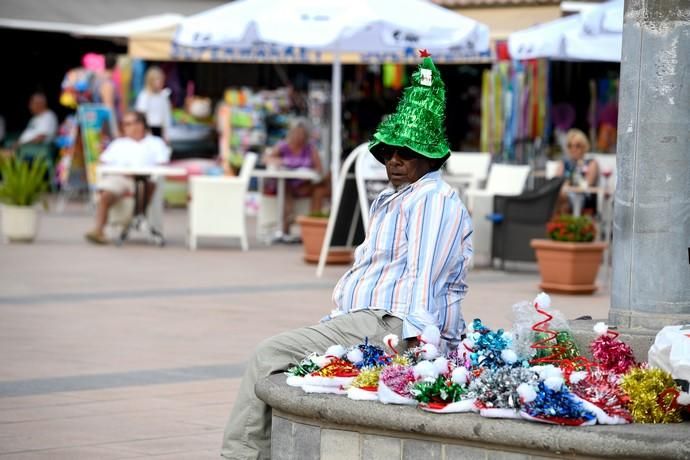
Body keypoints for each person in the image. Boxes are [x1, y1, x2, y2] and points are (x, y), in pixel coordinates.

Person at [221, 51, 473, 460]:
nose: (394, 159)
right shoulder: (395, 198)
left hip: (391, 322)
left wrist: (421, 348)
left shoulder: (431, 199)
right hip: (366, 318)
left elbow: (423, 278)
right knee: (279, 362)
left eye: (406, 152)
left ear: (430, 157)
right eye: (389, 150)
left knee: (267, 355)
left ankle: (240, 456)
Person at [84, 111, 170, 245]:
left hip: (146, 181)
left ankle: (136, 219)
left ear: (142, 124)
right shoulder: (118, 144)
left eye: (133, 123)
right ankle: (99, 231)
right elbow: (104, 162)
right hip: (120, 178)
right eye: (126, 124)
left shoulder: (155, 143)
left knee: (148, 185)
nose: (130, 127)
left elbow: (162, 164)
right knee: (106, 194)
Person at [263, 119, 330, 235]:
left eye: (302, 134)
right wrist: (279, 161)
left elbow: (320, 169)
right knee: (285, 187)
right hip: (286, 183)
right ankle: (286, 224)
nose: (299, 137)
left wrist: (311, 173)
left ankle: (312, 228)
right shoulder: (283, 146)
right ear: (291, 134)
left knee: (319, 190)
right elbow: (267, 159)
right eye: (297, 134)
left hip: (304, 184)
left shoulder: (310, 148)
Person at [555, 128, 600, 215]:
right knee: (558, 195)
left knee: (560, 196)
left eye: (577, 145)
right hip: (565, 196)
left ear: (584, 147)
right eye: (570, 145)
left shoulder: (591, 163)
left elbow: (587, 184)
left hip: (583, 197)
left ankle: (563, 224)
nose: (573, 149)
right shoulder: (564, 163)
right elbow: (556, 182)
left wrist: (568, 184)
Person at [135, 66, 172, 141]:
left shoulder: (163, 96)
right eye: (158, 80)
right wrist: (146, 131)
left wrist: (167, 134)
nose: (161, 82)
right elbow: (141, 115)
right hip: (149, 129)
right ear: (151, 80)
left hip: (160, 129)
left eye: (162, 79)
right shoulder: (145, 95)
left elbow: (166, 116)